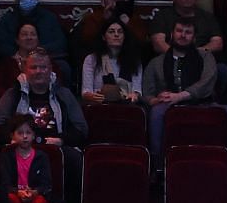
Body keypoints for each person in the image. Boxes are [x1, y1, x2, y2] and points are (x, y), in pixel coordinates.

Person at [144, 18, 218, 154]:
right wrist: (155, 100)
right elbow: (147, 93)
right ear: (171, 34)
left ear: (194, 38)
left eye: (188, 32)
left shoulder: (206, 57)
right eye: (179, 31)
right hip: (166, 105)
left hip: (202, 103)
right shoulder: (156, 62)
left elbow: (207, 82)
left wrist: (180, 96)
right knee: (155, 114)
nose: (183, 35)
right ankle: (157, 165)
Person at [80, 18, 145, 106]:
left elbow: (137, 90)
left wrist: (134, 95)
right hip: (99, 104)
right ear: (103, 37)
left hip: (126, 104)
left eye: (120, 32)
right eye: (111, 31)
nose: (116, 34)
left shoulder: (134, 60)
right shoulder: (91, 59)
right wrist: (94, 97)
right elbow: (86, 92)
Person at [0, 116, 53, 203]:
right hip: (15, 193)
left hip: (34, 193)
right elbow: (4, 184)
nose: (24, 136)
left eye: (28, 133)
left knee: (40, 202)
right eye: (20, 133)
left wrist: (34, 192)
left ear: (33, 135)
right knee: (11, 200)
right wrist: (18, 192)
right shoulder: (7, 156)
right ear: (12, 135)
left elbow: (46, 184)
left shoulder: (41, 157)